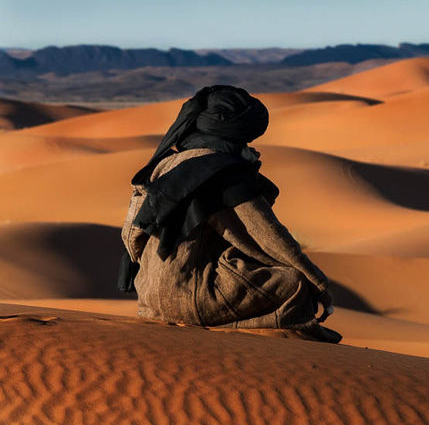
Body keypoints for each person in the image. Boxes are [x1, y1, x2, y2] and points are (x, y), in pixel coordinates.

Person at [118, 85, 340, 343]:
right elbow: (268, 236)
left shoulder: (165, 164)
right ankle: (286, 336)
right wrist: (319, 285)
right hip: (196, 296)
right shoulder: (224, 172)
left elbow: (132, 235)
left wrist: (156, 272)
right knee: (293, 282)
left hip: (149, 302)